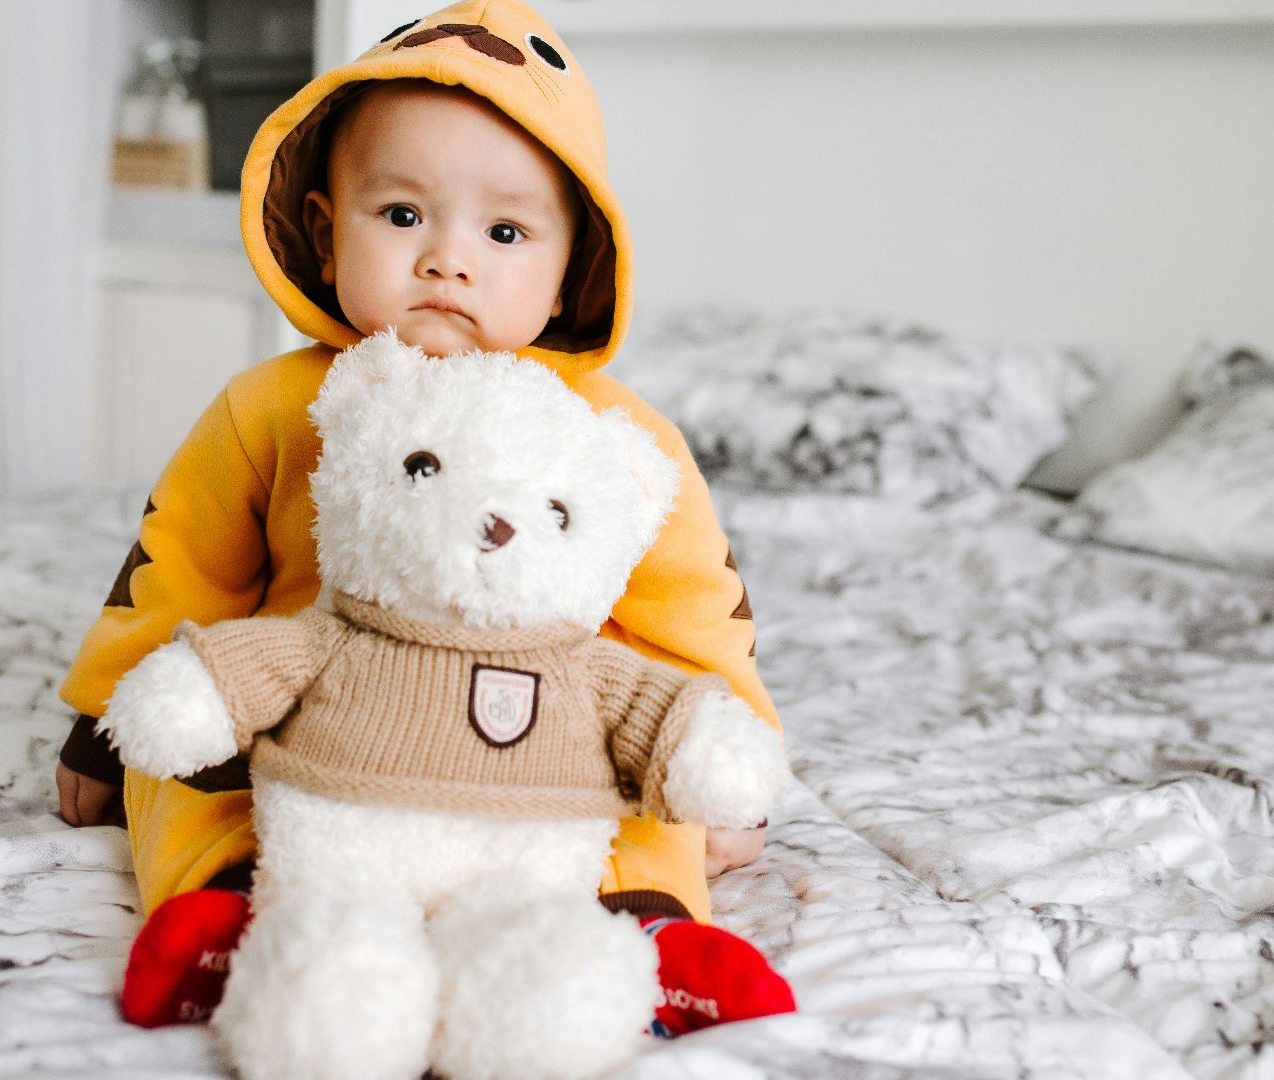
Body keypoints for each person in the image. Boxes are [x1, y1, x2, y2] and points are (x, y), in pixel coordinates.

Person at [55, 0, 794, 1037]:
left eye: (504, 232)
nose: (449, 260)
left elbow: (696, 609)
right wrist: (103, 716)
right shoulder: (274, 407)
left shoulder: (614, 437)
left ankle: (644, 930)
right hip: (311, 730)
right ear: (326, 226)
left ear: (571, 262)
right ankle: (224, 909)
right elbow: (177, 566)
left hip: (545, 745)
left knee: (637, 803)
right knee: (179, 771)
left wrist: (730, 760)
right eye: (402, 216)